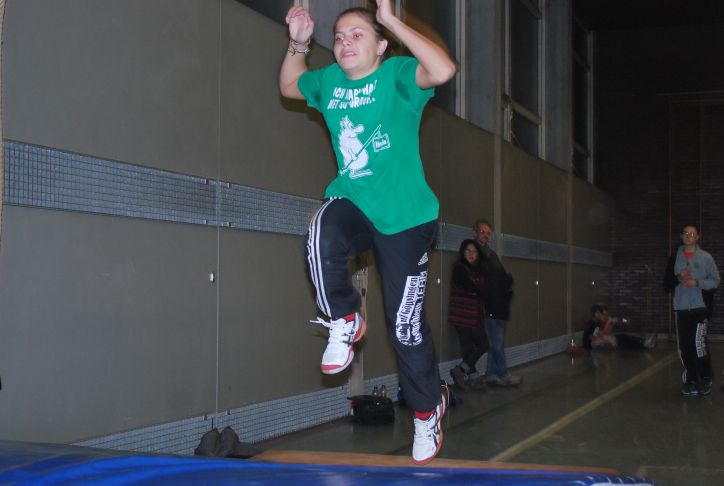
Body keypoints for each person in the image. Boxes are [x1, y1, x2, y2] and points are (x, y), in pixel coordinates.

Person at [279, 2, 456, 464]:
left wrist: (393, 21)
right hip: (355, 205)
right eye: (338, 36)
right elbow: (290, 84)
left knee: (405, 327)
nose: (344, 42)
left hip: (406, 220)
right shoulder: (329, 83)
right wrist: (298, 42)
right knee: (321, 228)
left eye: (357, 34)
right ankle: (344, 319)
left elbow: (442, 70)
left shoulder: (398, 75)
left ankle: (427, 411)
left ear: (380, 46)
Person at [671, 224, 720, 397]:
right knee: (685, 347)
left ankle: (706, 377)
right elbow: (669, 281)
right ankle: (691, 378)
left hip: (700, 308)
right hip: (681, 308)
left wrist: (697, 282)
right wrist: (679, 277)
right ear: (681, 236)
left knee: (699, 345)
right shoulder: (676, 257)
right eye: (685, 233)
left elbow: (715, 280)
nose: (688, 236)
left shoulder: (706, 257)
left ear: (697, 237)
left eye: (692, 234)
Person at [472, 219, 520, 387]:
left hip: (499, 303)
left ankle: (492, 374)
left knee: (496, 341)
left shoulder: (490, 254)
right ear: (474, 233)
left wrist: (506, 283)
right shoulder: (475, 254)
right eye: (482, 232)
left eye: (487, 233)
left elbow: (499, 275)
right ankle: (503, 373)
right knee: (497, 341)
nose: (485, 236)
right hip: (490, 304)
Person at [447, 239, 489, 391]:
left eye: (474, 251)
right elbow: (472, 288)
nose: (471, 254)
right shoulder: (460, 268)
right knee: (475, 346)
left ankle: (462, 371)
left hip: (474, 314)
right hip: (462, 314)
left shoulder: (478, 270)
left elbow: (483, 289)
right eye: (468, 251)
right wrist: (480, 289)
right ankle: (470, 375)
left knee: (477, 346)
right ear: (462, 253)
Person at [582, 305, 654, 351]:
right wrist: (608, 325)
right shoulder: (592, 323)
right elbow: (595, 336)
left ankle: (644, 344)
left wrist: (611, 325)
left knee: (623, 337)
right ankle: (643, 343)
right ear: (595, 314)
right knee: (623, 339)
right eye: (600, 313)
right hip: (593, 345)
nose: (601, 315)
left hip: (599, 341)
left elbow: (599, 334)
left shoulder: (596, 323)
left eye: (602, 313)